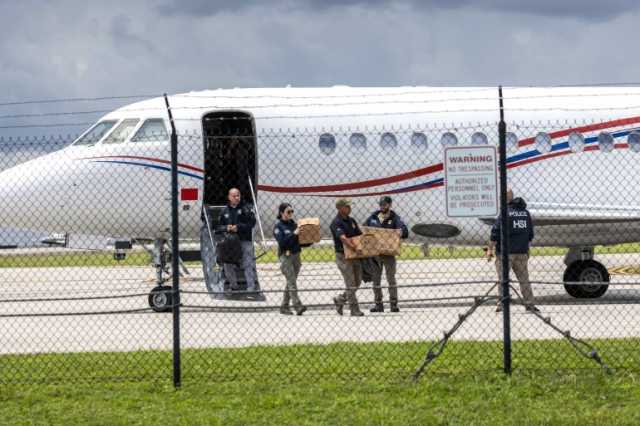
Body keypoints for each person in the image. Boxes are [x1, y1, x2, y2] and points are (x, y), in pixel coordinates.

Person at [486, 189, 538, 312]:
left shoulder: (505, 213)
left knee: (503, 279)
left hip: (505, 253)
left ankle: (502, 304)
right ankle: (529, 303)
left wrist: (490, 249)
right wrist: (527, 248)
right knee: (524, 279)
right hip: (521, 252)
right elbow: (530, 234)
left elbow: (495, 233)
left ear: (506, 198)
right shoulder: (525, 213)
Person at [364, 196, 409, 313]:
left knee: (391, 279)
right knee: (376, 280)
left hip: (389, 254)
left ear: (389, 205)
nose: (382, 206)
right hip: (375, 254)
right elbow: (363, 228)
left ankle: (393, 304)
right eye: (381, 204)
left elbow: (405, 231)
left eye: (384, 204)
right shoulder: (373, 217)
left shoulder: (395, 218)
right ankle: (378, 305)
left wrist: (399, 232)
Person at [215, 188, 258, 296]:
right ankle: (234, 286)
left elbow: (252, 223)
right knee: (227, 264)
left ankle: (251, 287)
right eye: (234, 196)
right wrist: (226, 227)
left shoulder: (246, 209)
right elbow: (218, 227)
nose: (237, 197)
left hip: (244, 240)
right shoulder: (224, 211)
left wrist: (238, 227)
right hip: (229, 243)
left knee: (248, 263)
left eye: (238, 195)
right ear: (229, 197)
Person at [330, 199, 365, 317]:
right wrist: (355, 247)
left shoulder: (352, 221)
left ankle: (340, 299)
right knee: (350, 283)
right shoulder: (336, 222)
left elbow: (359, 235)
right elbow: (343, 238)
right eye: (347, 206)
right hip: (343, 256)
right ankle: (354, 309)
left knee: (358, 282)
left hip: (355, 255)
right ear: (340, 208)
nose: (350, 208)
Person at [273, 203, 307, 316]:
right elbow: (282, 243)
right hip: (285, 256)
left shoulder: (294, 225)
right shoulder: (278, 227)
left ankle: (284, 306)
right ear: (281, 213)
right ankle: (298, 306)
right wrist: (294, 234)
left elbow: (300, 242)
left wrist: (312, 239)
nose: (291, 214)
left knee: (290, 282)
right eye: (288, 212)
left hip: (296, 255)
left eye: (292, 211)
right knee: (292, 281)